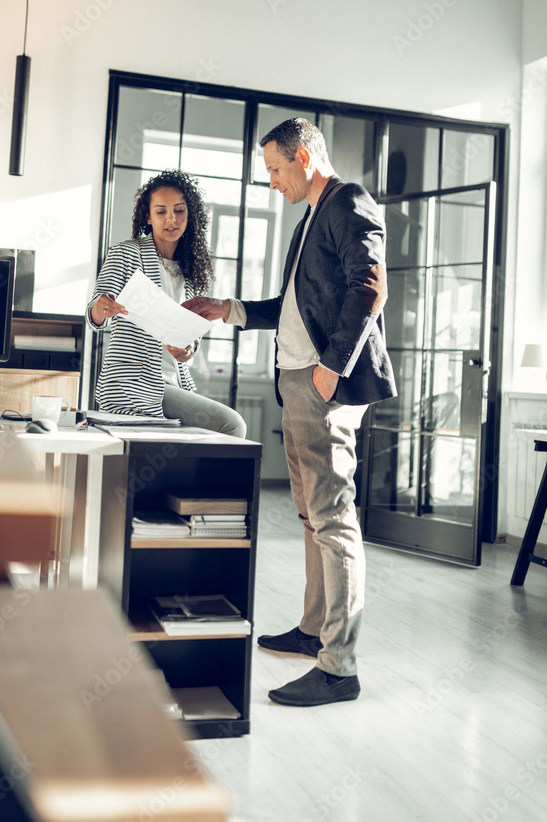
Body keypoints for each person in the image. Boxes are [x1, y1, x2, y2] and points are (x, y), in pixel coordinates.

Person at [184, 118, 396, 706]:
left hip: (325, 383)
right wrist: (226, 309)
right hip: (299, 382)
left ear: (303, 157)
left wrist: (332, 365)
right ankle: (313, 630)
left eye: (276, 169)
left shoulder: (348, 202)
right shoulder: (309, 218)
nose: (272, 181)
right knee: (310, 515)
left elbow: (369, 286)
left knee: (333, 518)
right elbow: (292, 306)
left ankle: (340, 667)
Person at [86, 168, 246, 437]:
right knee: (232, 424)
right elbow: (94, 315)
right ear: (148, 216)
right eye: (161, 212)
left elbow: (193, 335)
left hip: (174, 383)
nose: (171, 219)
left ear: (189, 214)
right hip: (132, 384)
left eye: (179, 211)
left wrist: (188, 350)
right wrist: (101, 308)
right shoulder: (126, 254)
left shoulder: (193, 268)